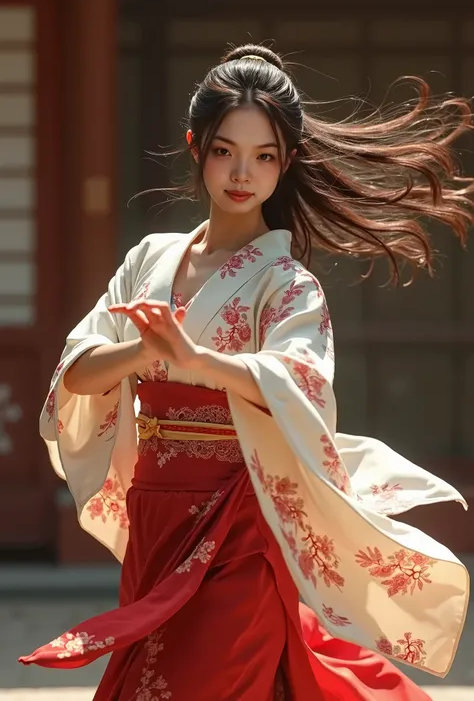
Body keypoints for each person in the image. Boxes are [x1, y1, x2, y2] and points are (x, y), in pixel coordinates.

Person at [19, 43, 473, 700]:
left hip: (239, 521)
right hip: (158, 518)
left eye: (264, 156)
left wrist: (200, 362)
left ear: (286, 163)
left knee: (216, 679)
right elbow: (77, 369)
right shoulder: (151, 259)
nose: (243, 171)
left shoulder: (287, 285)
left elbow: (301, 385)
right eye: (226, 150)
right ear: (196, 146)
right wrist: (142, 355)